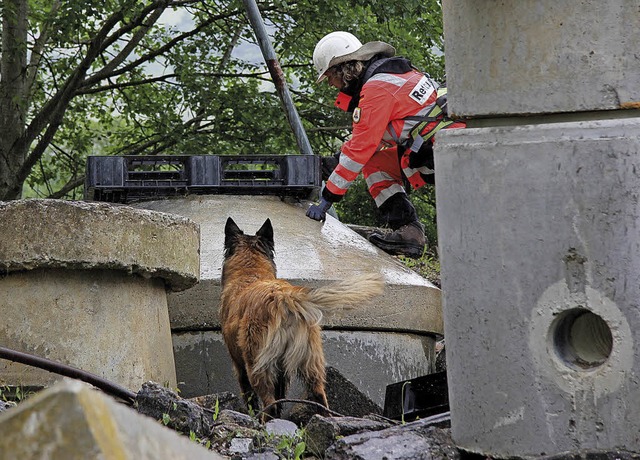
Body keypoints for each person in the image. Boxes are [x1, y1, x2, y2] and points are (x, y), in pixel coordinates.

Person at [306, 31, 465, 258]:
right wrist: (335, 160)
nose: (331, 84)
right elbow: (382, 134)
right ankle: (409, 234)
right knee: (375, 162)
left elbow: (361, 148)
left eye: (330, 76)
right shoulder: (393, 75)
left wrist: (326, 199)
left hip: (445, 153)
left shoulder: (376, 88)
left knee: (370, 161)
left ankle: (409, 230)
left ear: (343, 69)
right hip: (446, 145)